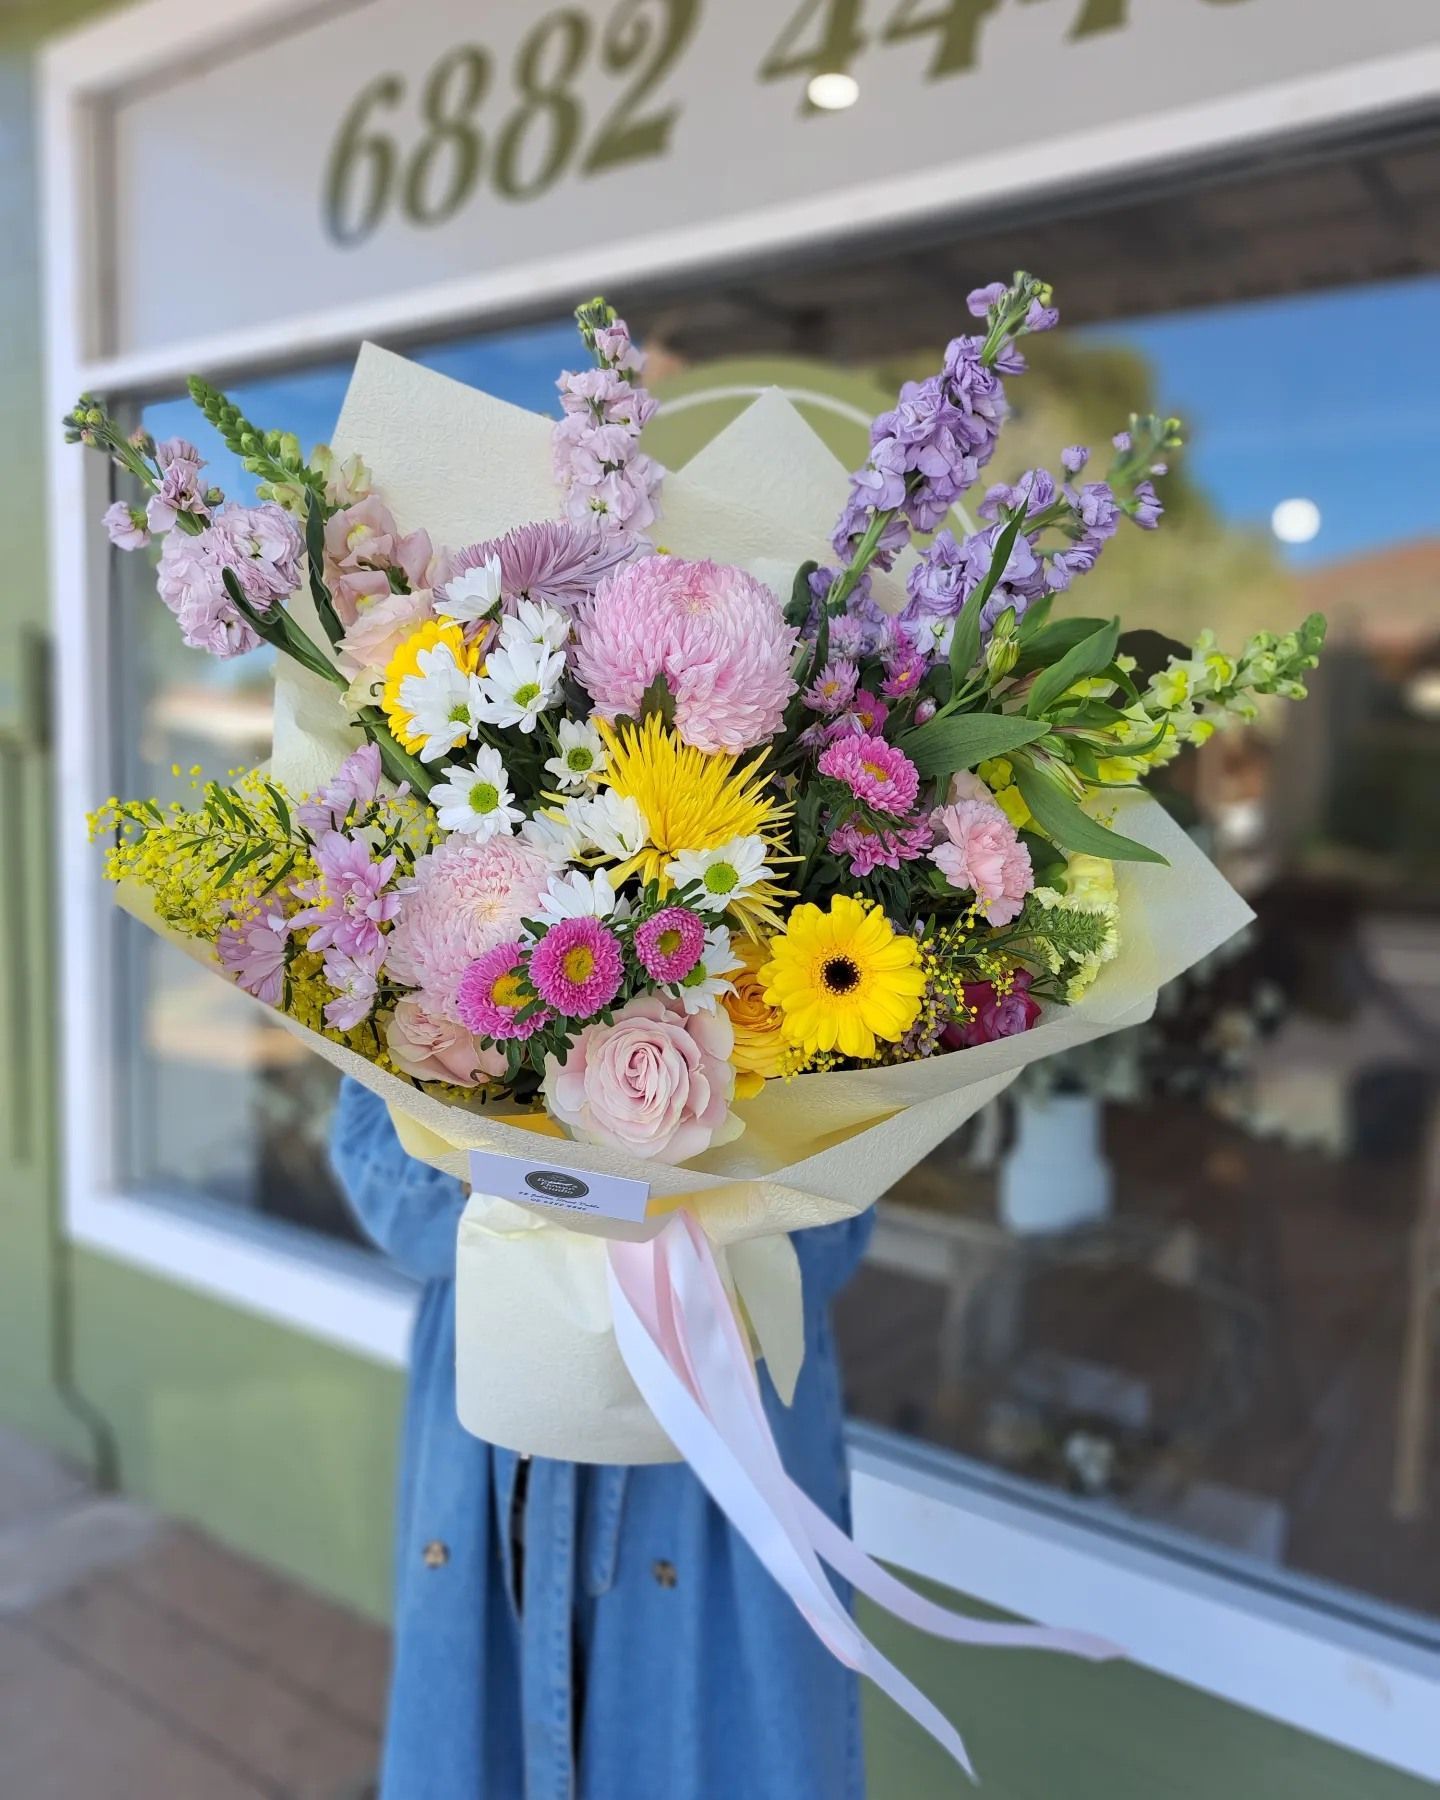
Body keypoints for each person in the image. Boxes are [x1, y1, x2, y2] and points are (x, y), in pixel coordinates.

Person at [331, 1076, 873, 1800]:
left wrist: (684, 1204)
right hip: (490, 1427)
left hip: (717, 1428)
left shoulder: (804, 982)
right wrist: (535, 1190)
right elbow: (377, 1171)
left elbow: (834, 1228)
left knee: (720, 1747)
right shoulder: (400, 974)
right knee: (476, 1748)